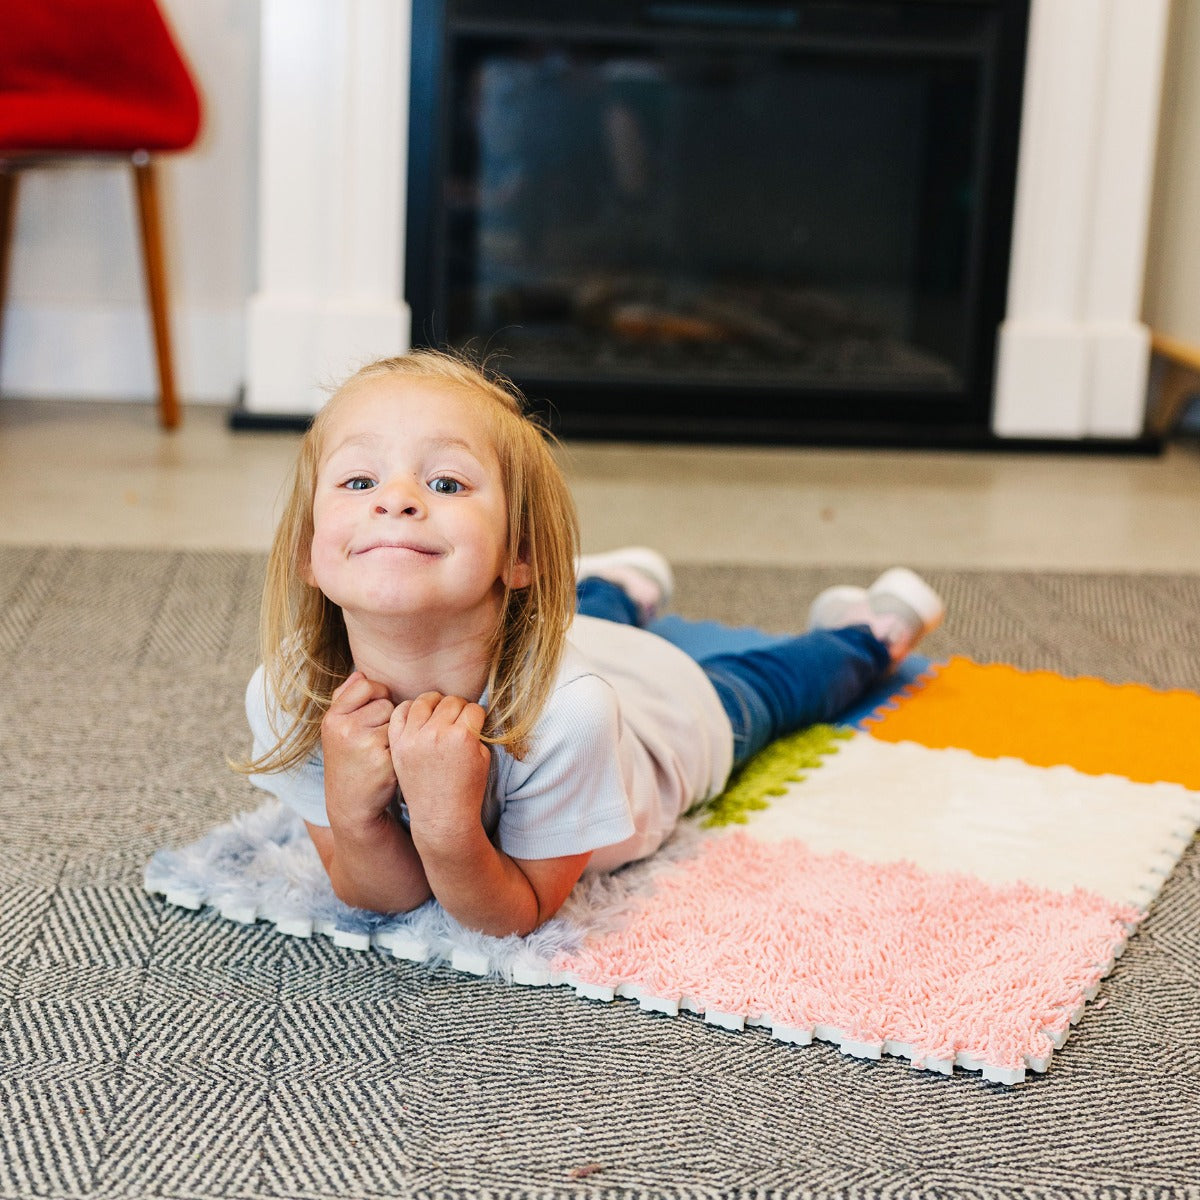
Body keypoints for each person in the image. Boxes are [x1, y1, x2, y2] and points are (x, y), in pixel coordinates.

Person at [239, 350, 944, 937]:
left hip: (668, 713)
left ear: (521, 550)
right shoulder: (289, 696)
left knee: (776, 684)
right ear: (308, 549)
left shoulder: (569, 715)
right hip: (563, 633)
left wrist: (448, 823)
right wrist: (351, 807)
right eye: (358, 480)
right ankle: (618, 587)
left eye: (446, 482)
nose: (394, 499)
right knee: (576, 614)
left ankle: (873, 630)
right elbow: (382, 899)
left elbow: (519, 911)